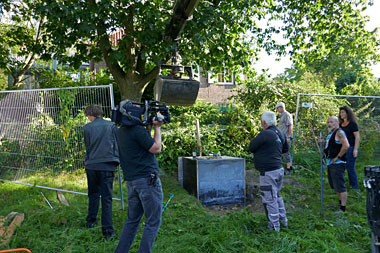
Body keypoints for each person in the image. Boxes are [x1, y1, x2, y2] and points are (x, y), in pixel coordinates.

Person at [115, 110, 164, 253]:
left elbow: (141, 144)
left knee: (132, 221)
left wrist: (148, 127)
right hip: (147, 181)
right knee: (152, 222)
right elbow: (156, 148)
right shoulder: (137, 130)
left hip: (132, 182)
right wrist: (157, 128)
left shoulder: (121, 131)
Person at [83, 104, 120, 240]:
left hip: (92, 165)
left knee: (93, 194)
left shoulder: (87, 128)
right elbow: (117, 144)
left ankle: (91, 221)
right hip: (108, 165)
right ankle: (108, 232)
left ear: (90, 114)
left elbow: (88, 147)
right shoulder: (112, 126)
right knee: (107, 199)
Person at [249, 111, 289, 232]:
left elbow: (251, 147)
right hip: (278, 169)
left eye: (262, 121)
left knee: (269, 199)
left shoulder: (265, 134)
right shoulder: (279, 132)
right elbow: (285, 149)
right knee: (276, 196)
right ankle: (283, 221)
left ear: (264, 122)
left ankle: (274, 226)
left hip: (268, 172)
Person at [324, 116, 349, 212]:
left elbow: (346, 145)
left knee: (340, 185)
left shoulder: (339, 132)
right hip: (331, 163)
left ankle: (343, 208)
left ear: (337, 122)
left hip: (338, 163)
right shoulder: (331, 134)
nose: (329, 124)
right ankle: (340, 205)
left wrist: (337, 157)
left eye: (331, 122)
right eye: (328, 122)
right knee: (335, 185)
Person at [339, 105, 360, 191]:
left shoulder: (352, 124)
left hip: (351, 147)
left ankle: (355, 188)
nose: (341, 114)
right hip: (342, 148)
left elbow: (357, 136)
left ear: (348, 113)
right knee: (341, 167)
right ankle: (342, 186)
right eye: (340, 112)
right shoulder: (340, 124)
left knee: (350, 167)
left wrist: (355, 149)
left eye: (343, 112)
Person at [275, 102, 294, 174]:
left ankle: (290, 169)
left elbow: (290, 125)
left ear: (282, 107)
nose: (277, 110)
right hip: (282, 137)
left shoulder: (287, 114)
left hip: (286, 137)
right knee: (281, 153)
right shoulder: (281, 115)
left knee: (286, 153)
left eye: (278, 108)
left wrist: (288, 136)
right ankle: (282, 168)